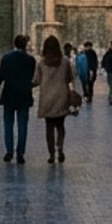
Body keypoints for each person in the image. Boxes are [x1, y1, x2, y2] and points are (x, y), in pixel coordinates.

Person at [0, 34, 37, 164]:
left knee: (8, 123)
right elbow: (32, 77)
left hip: (9, 94)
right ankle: (20, 152)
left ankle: (9, 151)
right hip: (24, 95)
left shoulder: (7, 58)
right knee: (23, 124)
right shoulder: (30, 60)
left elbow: (1, 75)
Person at [34, 35, 78, 163]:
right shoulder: (64, 62)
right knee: (60, 125)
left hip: (47, 98)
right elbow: (70, 78)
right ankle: (60, 148)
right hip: (61, 97)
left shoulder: (42, 63)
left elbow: (36, 80)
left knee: (49, 127)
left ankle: (51, 154)